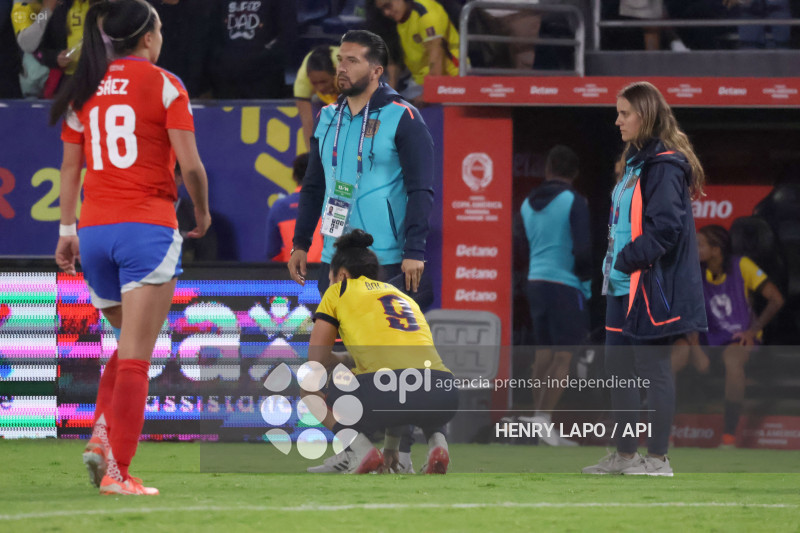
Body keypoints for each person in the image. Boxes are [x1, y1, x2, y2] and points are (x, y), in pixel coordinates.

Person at [50, 0, 210, 495]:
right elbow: (192, 167)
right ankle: (118, 471)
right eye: (159, 29)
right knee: (139, 355)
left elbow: (71, 170)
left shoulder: (85, 88)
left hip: (94, 232)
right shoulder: (166, 84)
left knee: (127, 347)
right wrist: (201, 214)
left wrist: (66, 229)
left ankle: (101, 441)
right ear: (147, 38)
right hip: (147, 228)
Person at [583, 81, 707, 476]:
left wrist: (626, 259)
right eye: (618, 112)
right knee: (618, 373)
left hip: (648, 285)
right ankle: (624, 456)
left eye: (624, 113)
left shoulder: (664, 165)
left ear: (646, 116)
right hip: (621, 284)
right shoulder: (636, 162)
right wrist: (616, 268)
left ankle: (658, 459)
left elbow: (666, 229)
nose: (617, 120)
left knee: (653, 372)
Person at [289, 29, 434, 301]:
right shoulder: (327, 117)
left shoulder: (404, 117)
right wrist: (300, 244)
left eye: (352, 61)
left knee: (382, 342)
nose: (341, 68)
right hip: (334, 256)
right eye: (341, 60)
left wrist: (414, 251)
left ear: (376, 70)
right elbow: (312, 187)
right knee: (335, 342)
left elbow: (420, 190)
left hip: (385, 258)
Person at [302, 230, 458, 474]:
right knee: (408, 384)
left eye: (330, 278)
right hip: (444, 393)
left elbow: (317, 359)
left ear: (341, 275)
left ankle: (360, 450)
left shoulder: (339, 290)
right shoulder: (401, 296)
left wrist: (339, 362)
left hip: (388, 390)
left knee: (309, 386)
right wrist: (390, 447)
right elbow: (401, 368)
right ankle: (438, 443)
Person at [674, 224, 784, 447]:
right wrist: (696, 352)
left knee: (733, 361)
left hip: (738, 338)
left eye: (700, 245)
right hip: (705, 338)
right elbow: (687, 313)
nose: (694, 249)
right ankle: (664, 431)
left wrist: (753, 331)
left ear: (716, 249)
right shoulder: (694, 271)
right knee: (672, 358)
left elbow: (776, 299)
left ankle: (729, 434)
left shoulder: (741, 265)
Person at [518, 145, 591, 446]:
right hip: (565, 284)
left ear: (548, 169)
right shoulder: (574, 200)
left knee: (543, 353)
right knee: (564, 354)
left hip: (536, 281)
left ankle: (539, 419)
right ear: (575, 173)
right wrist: (586, 281)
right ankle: (543, 420)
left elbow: (520, 249)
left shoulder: (525, 204)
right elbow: (583, 248)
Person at [374, 0, 460, 102]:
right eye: (382, 9)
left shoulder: (425, 13)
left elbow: (436, 54)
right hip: (417, 80)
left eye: (388, 5)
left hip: (449, 78)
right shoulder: (395, 19)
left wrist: (429, 93)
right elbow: (394, 59)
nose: (386, 13)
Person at [265, 153, 323, 262]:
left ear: (294, 176)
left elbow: (272, 253)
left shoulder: (279, 207)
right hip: (323, 275)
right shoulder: (329, 205)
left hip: (290, 275)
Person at [294, 44, 340, 151]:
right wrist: (313, 160)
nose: (321, 88)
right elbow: (307, 123)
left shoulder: (349, 72)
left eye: (324, 81)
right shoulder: (302, 82)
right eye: (315, 83)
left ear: (335, 74)